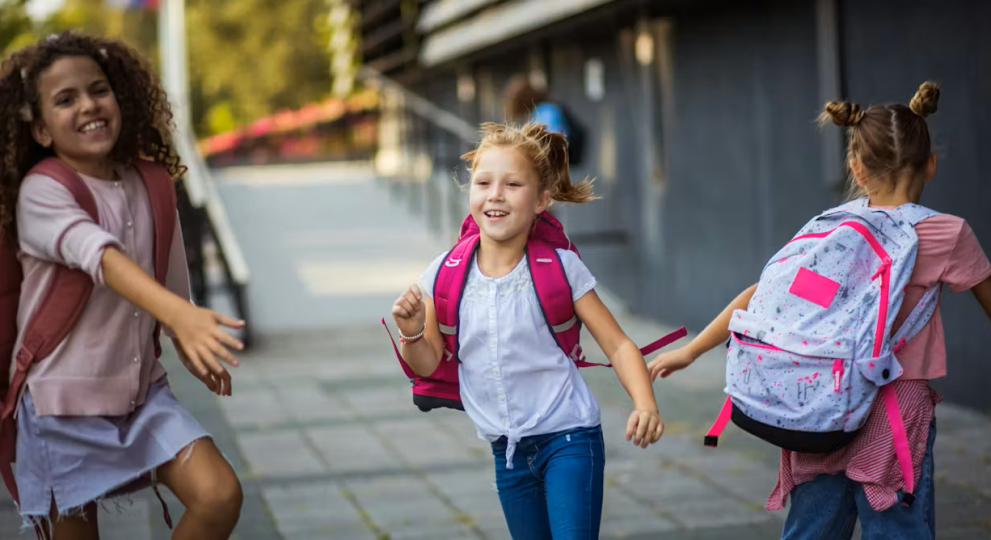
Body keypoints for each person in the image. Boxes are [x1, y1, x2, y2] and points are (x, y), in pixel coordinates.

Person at [647, 82, 991, 539]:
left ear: (856, 168)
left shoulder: (833, 229)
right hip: (896, 408)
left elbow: (760, 296)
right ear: (930, 164)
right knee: (897, 529)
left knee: (812, 529)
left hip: (817, 400)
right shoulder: (947, 234)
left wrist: (691, 351)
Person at [0, 32, 244, 539]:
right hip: (59, 408)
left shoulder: (152, 182)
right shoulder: (43, 190)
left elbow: (172, 283)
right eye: (66, 99)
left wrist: (188, 337)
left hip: (141, 397)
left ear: (122, 97)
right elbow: (101, 257)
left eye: (98, 89)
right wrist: (180, 319)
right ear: (41, 129)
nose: (88, 105)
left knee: (219, 494)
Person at [391, 122, 663, 539]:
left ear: (541, 200)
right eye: (483, 182)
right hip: (508, 453)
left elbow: (618, 344)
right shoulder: (446, 272)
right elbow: (427, 362)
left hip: (569, 438)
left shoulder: (560, 268)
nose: (495, 193)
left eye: (513, 184)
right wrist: (411, 331)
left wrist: (644, 403)